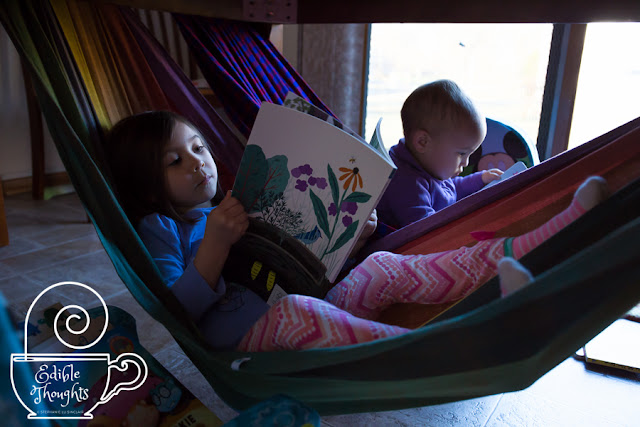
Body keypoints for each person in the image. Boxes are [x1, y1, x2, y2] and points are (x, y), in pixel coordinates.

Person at [105, 111, 609, 352]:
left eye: (198, 147)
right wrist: (214, 243)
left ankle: (541, 240)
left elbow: (308, 262)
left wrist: (354, 237)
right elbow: (175, 309)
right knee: (302, 310)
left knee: (383, 265)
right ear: (151, 188)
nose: (197, 162)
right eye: (175, 160)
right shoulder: (160, 226)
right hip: (251, 336)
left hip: (311, 301)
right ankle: (465, 346)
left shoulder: (244, 198)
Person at [377, 79, 504, 229]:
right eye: (461, 154)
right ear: (423, 142)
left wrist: (481, 179)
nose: (466, 162)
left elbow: (450, 189)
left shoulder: (428, 164)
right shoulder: (407, 184)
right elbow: (424, 229)